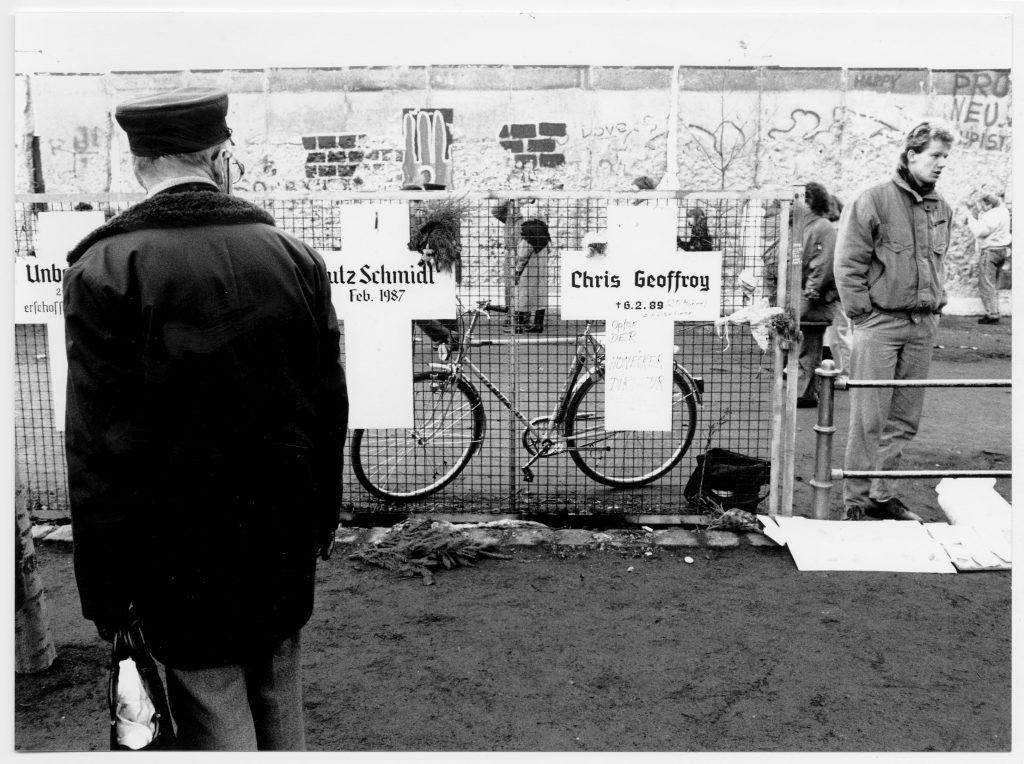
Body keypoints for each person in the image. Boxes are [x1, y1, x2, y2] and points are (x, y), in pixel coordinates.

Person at [63, 87, 349, 750]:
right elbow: (328, 405)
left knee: (211, 698)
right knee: (279, 685)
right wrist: (320, 517)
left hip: (175, 546)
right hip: (279, 529)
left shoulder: (104, 269)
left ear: (139, 165)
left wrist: (105, 588)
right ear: (221, 157)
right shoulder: (294, 256)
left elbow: (96, 445)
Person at [834, 120, 955, 522]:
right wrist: (863, 316)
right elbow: (847, 264)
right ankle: (855, 499)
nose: (941, 164)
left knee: (903, 420)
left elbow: (937, 264)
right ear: (911, 155)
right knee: (869, 418)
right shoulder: (872, 200)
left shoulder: (941, 208)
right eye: (935, 156)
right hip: (879, 326)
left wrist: (937, 303)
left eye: (945, 157)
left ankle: (883, 497)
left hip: (922, 326)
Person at [796, 181, 840, 408]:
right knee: (805, 346)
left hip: (812, 298)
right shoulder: (809, 225)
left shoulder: (821, 227)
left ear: (810, 201)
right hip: (806, 295)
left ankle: (806, 392)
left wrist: (812, 290)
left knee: (809, 346)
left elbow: (823, 262)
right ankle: (805, 389)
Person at [492, 199, 551, 333]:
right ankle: (516, 317)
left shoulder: (531, 224)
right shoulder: (511, 214)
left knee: (521, 291)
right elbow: (495, 211)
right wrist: (507, 199)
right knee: (515, 289)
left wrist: (518, 268)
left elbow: (523, 254)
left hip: (523, 259)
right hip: (516, 255)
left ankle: (519, 322)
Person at [964, 193, 1011, 324]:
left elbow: (980, 231)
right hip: (1002, 250)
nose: (982, 207)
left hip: (990, 251)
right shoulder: (1003, 210)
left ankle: (992, 315)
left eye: (984, 205)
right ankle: (994, 311)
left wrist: (970, 218)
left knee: (986, 284)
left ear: (990, 204)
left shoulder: (991, 215)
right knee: (994, 284)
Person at [823, 194, 852, 386]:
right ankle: (845, 372)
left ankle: (845, 374)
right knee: (842, 332)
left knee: (839, 334)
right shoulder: (843, 228)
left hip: (837, 289)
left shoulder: (834, 230)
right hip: (842, 288)